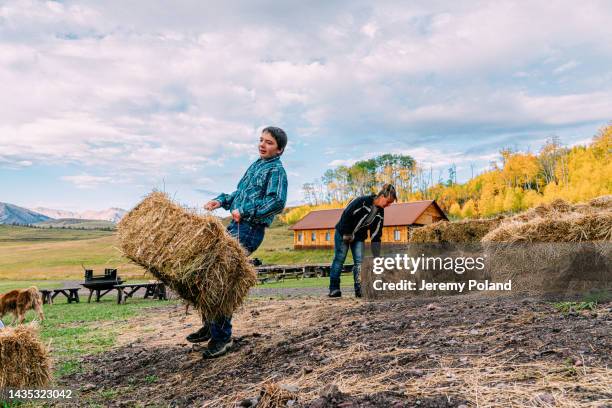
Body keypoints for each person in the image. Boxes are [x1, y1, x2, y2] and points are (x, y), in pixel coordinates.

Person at [186, 126, 288, 358]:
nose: (263, 145)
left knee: (221, 278)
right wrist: (221, 200)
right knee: (208, 272)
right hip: (236, 225)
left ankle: (222, 337)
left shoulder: (277, 171)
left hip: (251, 229)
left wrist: (246, 210)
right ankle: (212, 326)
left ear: (280, 149)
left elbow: (277, 201)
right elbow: (239, 194)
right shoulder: (256, 165)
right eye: (261, 140)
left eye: (269, 143)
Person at [328, 184, 397, 298]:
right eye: (388, 202)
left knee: (359, 262)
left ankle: (360, 290)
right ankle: (334, 289)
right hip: (343, 233)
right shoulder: (362, 201)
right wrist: (347, 233)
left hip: (358, 237)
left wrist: (376, 256)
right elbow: (346, 214)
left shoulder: (380, 212)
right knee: (339, 259)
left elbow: (376, 234)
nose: (388, 205)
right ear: (382, 196)